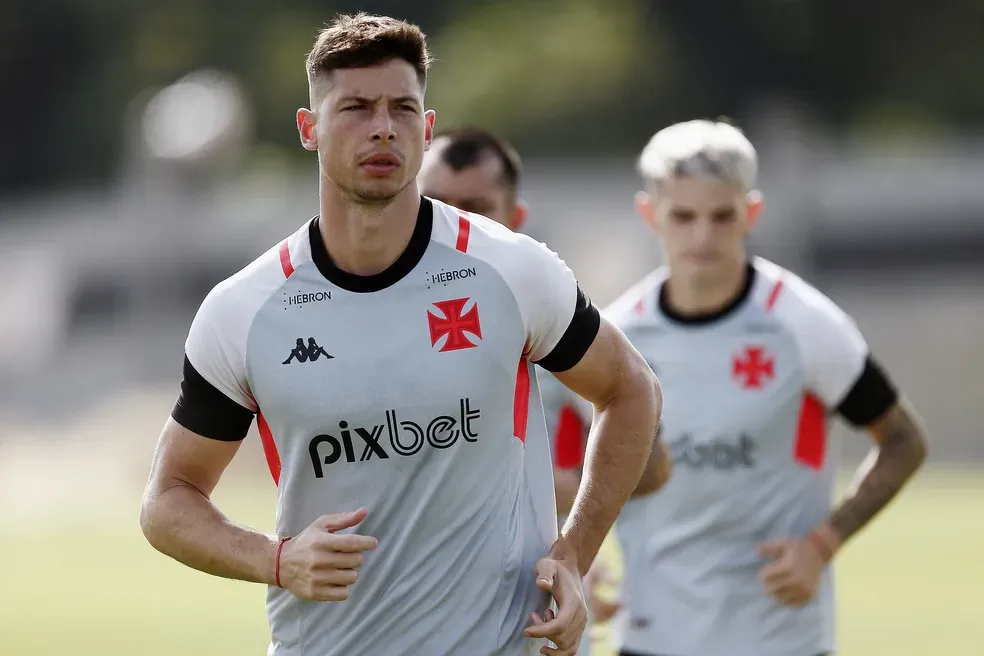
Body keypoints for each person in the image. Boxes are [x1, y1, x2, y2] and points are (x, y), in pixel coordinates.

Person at [138, 13, 662, 656]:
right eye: (356, 106)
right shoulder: (245, 310)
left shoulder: (510, 271)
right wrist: (276, 560)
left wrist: (575, 553)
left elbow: (630, 389)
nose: (383, 126)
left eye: (402, 108)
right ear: (310, 128)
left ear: (427, 126)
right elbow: (169, 500)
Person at [544, 119, 929, 656]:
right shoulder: (616, 335)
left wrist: (823, 543)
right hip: (652, 638)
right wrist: (580, 562)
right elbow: (575, 470)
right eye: (683, 216)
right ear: (649, 213)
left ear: (751, 212)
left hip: (781, 637)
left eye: (722, 216)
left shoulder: (803, 323)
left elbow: (905, 440)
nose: (703, 236)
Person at [418, 126, 630, 656]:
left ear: (516, 220)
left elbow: (649, 459)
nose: (453, 225)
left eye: (475, 208)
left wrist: (574, 550)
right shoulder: (373, 321)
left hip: (520, 615)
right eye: (437, 206)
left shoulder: (557, 333)